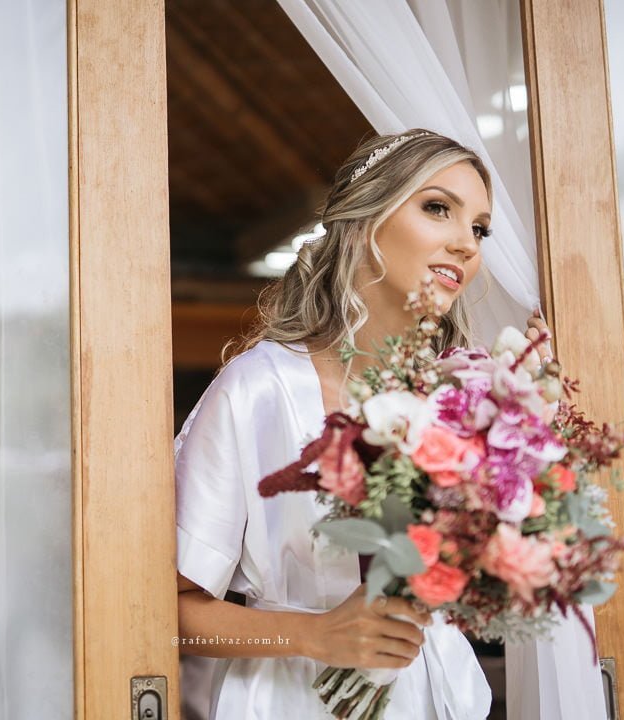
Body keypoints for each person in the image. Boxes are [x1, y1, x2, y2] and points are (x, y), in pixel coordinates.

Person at [175, 129, 553, 719]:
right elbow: (171, 613)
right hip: (290, 702)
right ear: (363, 221)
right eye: (437, 209)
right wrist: (312, 636)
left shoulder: (466, 399)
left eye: (479, 229)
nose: (466, 244)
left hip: (438, 698)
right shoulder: (258, 391)